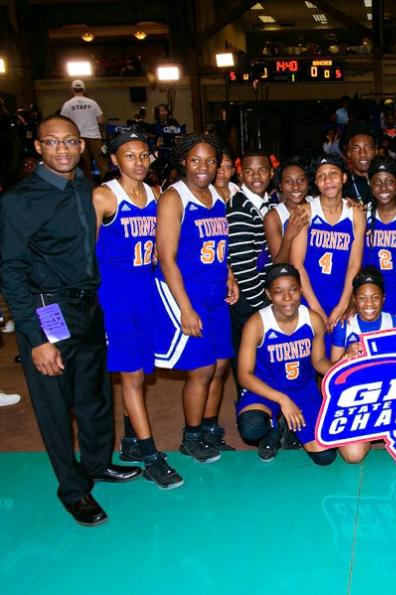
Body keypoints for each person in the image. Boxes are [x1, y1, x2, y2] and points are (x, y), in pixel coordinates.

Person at [0, 115, 141, 526]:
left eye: (70, 141)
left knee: (95, 395)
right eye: (52, 142)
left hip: (89, 307)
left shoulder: (85, 186)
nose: (62, 149)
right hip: (49, 310)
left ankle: (97, 464)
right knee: (55, 406)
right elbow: (10, 271)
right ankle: (74, 490)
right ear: (38, 147)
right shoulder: (19, 200)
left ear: (82, 145)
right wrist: (36, 337)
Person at [92, 130, 183, 489]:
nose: (139, 162)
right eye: (130, 156)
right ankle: (150, 455)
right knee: (131, 376)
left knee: (143, 374)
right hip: (116, 297)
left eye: (144, 155)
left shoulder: (155, 194)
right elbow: (86, 253)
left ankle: (130, 441)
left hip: (146, 293)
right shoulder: (103, 196)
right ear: (114, 160)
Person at [152, 134, 240, 463]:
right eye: (195, 160)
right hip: (188, 291)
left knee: (220, 365)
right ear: (183, 161)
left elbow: (219, 245)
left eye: (210, 160)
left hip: (216, 289)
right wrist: (185, 307)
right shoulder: (174, 197)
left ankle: (209, 429)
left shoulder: (217, 195)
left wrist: (229, 275)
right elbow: (166, 258)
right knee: (201, 368)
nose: (203, 167)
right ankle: (190, 437)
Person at [236, 264, 369, 464]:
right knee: (252, 427)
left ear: (300, 290)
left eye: (293, 290)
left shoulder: (312, 320)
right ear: (269, 294)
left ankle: (291, 429)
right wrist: (283, 400)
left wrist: (343, 365)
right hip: (267, 390)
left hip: (303, 390)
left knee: (325, 456)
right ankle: (274, 429)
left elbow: (319, 362)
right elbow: (244, 375)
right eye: (279, 292)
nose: (288, 298)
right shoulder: (256, 324)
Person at [291, 154, 366, 352]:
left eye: (333, 173)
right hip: (309, 293)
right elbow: (297, 264)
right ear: (316, 183)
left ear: (343, 177)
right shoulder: (306, 211)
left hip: (342, 292)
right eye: (321, 176)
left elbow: (354, 264)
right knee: (312, 356)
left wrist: (343, 304)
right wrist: (315, 308)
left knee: (340, 355)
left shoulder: (356, 213)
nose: (328, 180)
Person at [227, 149, 273, 395]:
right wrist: (262, 305)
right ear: (241, 175)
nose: (256, 176)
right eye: (249, 171)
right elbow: (243, 265)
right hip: (249, 298)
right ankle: (250, 406)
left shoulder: (269, 203)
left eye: (262, 170)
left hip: (263, 293)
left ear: (271, 173)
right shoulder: (239, 208)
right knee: (249, 359)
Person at [363, 157, 396, 318]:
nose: (383, 187)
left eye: (389, 181)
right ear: (370, 184)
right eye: (377, 182)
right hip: (370, 297)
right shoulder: (362, 215)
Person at [331, 268, 396, 362]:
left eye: (375, 298)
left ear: (383, 298)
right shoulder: (344, 326)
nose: (369, 303)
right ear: (354, 299)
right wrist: (345, 356)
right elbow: (334, 367)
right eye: (362, 298)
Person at [264, 157, 311, 266]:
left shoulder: (318, 204)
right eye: (288, 181)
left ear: (308, 182)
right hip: (292, 273)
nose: (296, 186)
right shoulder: (273, 217)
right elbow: (279, 264)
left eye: (301, 180)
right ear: (280, 186)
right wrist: (288, 236)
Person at [60, 80, 107, 179]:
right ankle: (107, 183)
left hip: (78, 139)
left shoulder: (67, 104)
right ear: (84, 89)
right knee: (102, 163)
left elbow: (63, 122)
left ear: (72, 90)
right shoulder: (92, 103)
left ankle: (87, 185)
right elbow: (101, 120)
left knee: (85, 166)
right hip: (94, 137)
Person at [343, 123, 377, 205]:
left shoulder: (389, 177)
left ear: (376, 151)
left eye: (368, 147)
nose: (362, 153)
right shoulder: (343, 185)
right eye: (356, 149)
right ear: (349, 154)